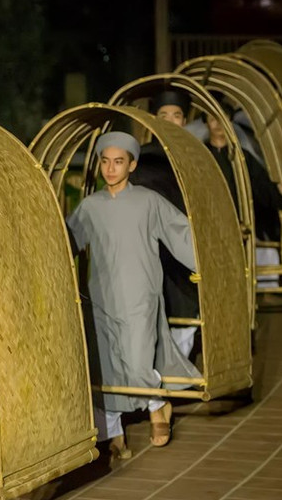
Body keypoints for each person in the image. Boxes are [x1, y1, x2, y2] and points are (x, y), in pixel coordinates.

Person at [68, 131, 200, 458]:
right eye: (105, 161)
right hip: (101, 293)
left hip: (141, 292)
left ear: (132, 165)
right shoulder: (90, 206)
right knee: (109, 363)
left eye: (119, 162)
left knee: (139, 357)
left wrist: (208, 264)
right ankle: (114, 434)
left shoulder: (148, 201)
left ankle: (157, 406)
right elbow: (66, 243)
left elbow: (181, 233)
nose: (111, 168)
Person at [130, 88, 200, 365]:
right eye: (163, 115)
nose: (170, 121)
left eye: (177, 115)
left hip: (185, 247)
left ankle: (176, 374)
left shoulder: (197, 158)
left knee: (186, 310)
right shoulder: (142, 158)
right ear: (153, 119)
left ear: (185, 120)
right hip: (149, 247)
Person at [201, 106, 282, 290]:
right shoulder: (200, 155)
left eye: (223, 118)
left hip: (240, 222)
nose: (219, 124)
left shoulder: (242, 157)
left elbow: (261, 184)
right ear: (206, 123)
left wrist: (277, 190)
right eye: (213, 119)